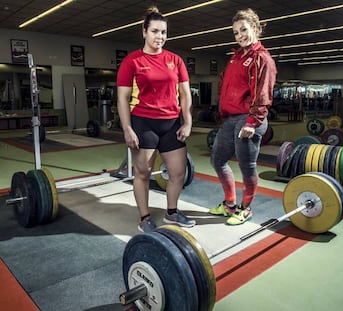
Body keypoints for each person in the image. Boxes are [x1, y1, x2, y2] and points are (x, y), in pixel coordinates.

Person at [116, 6, 195, 232]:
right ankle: (145, 217)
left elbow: (185, 94)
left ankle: (172, 213)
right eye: (155, 31)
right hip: (143, 122)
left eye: (163, 32)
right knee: (143, 173)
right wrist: (127, 129)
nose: (159, 37)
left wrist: (187, 121)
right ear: (144, 32)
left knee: (178, 173)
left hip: (172, 124)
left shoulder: (175, 60)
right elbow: (122, 98)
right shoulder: (132, 61)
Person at [209, 8, 277, 225]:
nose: (240, 36)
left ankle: (245, 208)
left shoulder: (261, 58)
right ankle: (229, 204)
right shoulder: (236, 58)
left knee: (246, 166)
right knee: (217, 160)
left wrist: (252, 122)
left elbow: (262, 92)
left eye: (244, 30)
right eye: (236, 32)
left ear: (255, 28)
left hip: (249, 118)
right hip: (230, 119)